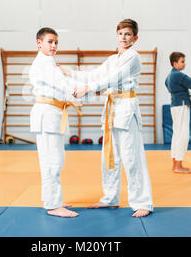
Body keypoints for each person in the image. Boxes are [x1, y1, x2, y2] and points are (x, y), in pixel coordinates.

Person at [61, 19, 153, 218]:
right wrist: (69, 72)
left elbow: (113, 79)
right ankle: (110, 198)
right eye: (121, 34)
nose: (124, 38)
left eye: (128, 34)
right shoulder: (113, 59)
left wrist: (89, 88)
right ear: (117, 36)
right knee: (109, 157)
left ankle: (143, 202)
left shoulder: (133, 57)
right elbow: (94, 75)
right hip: (112, 111)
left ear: (135, 38)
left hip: (127, 111)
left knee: (132, 158)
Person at [29, 27, 84, 218]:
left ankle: (51, 199)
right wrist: (84, 90)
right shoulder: (43, 64)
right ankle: (53, 205)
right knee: (52, 161)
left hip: (53, 114)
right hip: (47, 115)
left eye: (56, 42)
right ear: (39, 43)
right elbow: (64, 86)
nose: (53, 45)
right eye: (50, 42)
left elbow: (63, 86)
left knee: (54, 160)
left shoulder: (50, 63)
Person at [164, 52, 191, 174]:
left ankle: (175, 164)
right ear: (175, 63)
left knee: (176, 135)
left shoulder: (169, 77)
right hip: (181, 105)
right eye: (182, 61)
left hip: (175, 106)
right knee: (183, 135)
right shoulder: (178, 75)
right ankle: (178, 165)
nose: (184, 63)